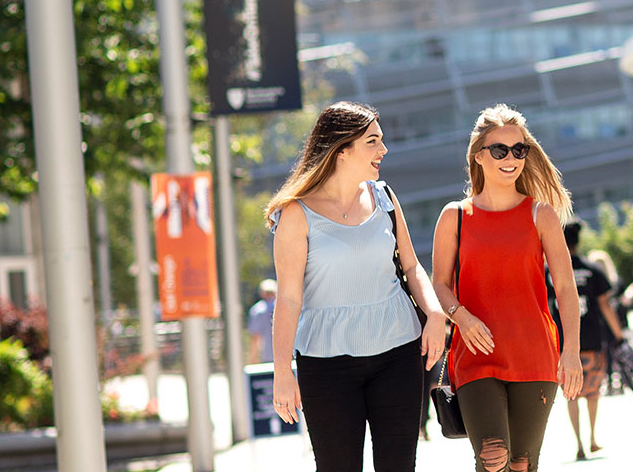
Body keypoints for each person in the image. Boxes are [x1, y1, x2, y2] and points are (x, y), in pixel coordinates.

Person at [264, 101, 449, 472]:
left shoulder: (384, 198)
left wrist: (435, 313)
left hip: (398, 353)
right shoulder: (297, 214)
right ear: (342, 149)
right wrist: (282, 371)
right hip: (325, 363)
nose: (383, 150)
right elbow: (287, 298)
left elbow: (411, 267)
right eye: (373, 141)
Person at [431, 104, 584, 472]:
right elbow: (438, 283)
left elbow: (565, 288)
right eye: (499, 150)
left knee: (521, 464)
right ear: (479, 156)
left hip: (534, 354)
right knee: (493, 456)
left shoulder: (541, 214)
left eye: (519, 150)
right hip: (475, 354)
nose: (510, 158)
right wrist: (462, 319)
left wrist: (572, 352)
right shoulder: (454, 216)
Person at [562, 222, 622, 460]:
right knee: (593, 392)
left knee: (571, 395)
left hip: (563, 345)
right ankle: (593, 439)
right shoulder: (591, 269)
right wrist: (618, 335)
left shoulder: (549, 271)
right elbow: (605, 305)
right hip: (593, 340)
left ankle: (578, 443)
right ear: (578, 241)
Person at [246, 279, 277, 365]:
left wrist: (253, 358)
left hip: (266, 356)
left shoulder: (257, 310)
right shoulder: (284, 308)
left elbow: (255, 337)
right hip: (287, 355)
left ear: (262, 293)